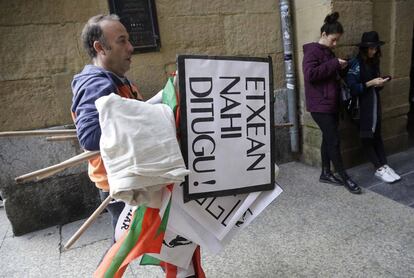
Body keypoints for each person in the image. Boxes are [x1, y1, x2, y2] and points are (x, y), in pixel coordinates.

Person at [71, 14, 142, 237]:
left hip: (133, 178)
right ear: (100, 47)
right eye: (122, 41)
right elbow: (91, 137)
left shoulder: (118, 78)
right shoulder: (96, 84)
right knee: (122, 250)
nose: (130, 48)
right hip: (120, 187)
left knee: (151, 244)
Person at [302, 12, 361, 194]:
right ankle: (345, 178)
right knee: (334, 140)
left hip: (331, 104)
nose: (335, 44)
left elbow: (329, 76)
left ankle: (326, 173)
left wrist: (343, 67)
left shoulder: (328, 52)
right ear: (324, 35)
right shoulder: (312, 51)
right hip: (320, 106)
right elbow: (310, 75)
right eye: (333, 40)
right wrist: (335, 63)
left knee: (329, 138)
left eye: (337, 41)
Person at [346, 31, 401, 183]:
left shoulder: (373, 62)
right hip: (363, 108)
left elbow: (374, 87)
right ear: (364, 48)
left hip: (374, 105)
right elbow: (353, 88)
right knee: (367, 137)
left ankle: (384, 165)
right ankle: (378, 168)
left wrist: (380, 83)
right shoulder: (356, 64)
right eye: (370, 48)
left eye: (375, 48)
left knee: (377, 136)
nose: (373, 51)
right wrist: (371, 83)